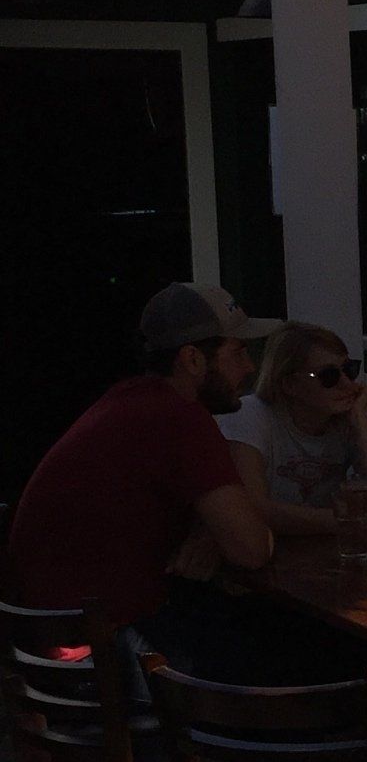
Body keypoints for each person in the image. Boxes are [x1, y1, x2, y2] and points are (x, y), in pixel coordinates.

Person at [9, 283, 278, 677]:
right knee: (296, 654)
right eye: (238, 352)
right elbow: (252, 550)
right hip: (94, 658)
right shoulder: (178, 418)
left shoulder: (132, 401)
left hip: (46, 646)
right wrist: (240, 534)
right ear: (192, 360)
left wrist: (208, 529)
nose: (251, 367)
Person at [226, 321, 367, 537]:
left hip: (330, 549)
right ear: (289, 384)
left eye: (349, 370)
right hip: (273, 548)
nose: (347, 384)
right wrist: (347, 521)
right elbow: (252, 508)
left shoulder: (356, 413)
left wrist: (359, 420)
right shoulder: (250, 415)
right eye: (328, 376)